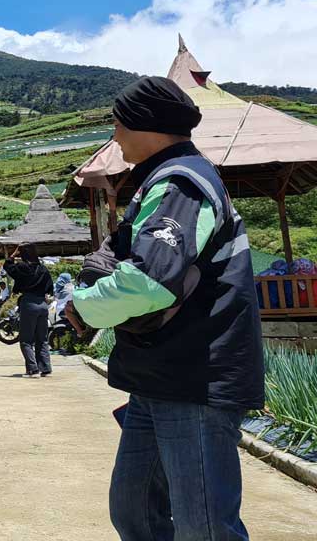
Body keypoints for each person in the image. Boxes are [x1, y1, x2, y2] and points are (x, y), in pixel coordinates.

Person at [67, 76, 264, 541]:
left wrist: (83, 305)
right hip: (158, 377)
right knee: (134, 511)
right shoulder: (164, 179)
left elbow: (149, 282)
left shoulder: (182, 184)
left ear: (146, 125)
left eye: (119, 123)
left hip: (193, 378)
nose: (115, 135)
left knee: (203, 526)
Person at [4, 243, 54, 377]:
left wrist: (13, 255)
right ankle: (45, 368)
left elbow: (8, 267)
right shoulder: (43, 269)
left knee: (26, 340)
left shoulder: (22, 267)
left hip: (28, 304)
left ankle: (32, 369)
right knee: (42, 339)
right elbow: (50, 288)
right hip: (42, 305)